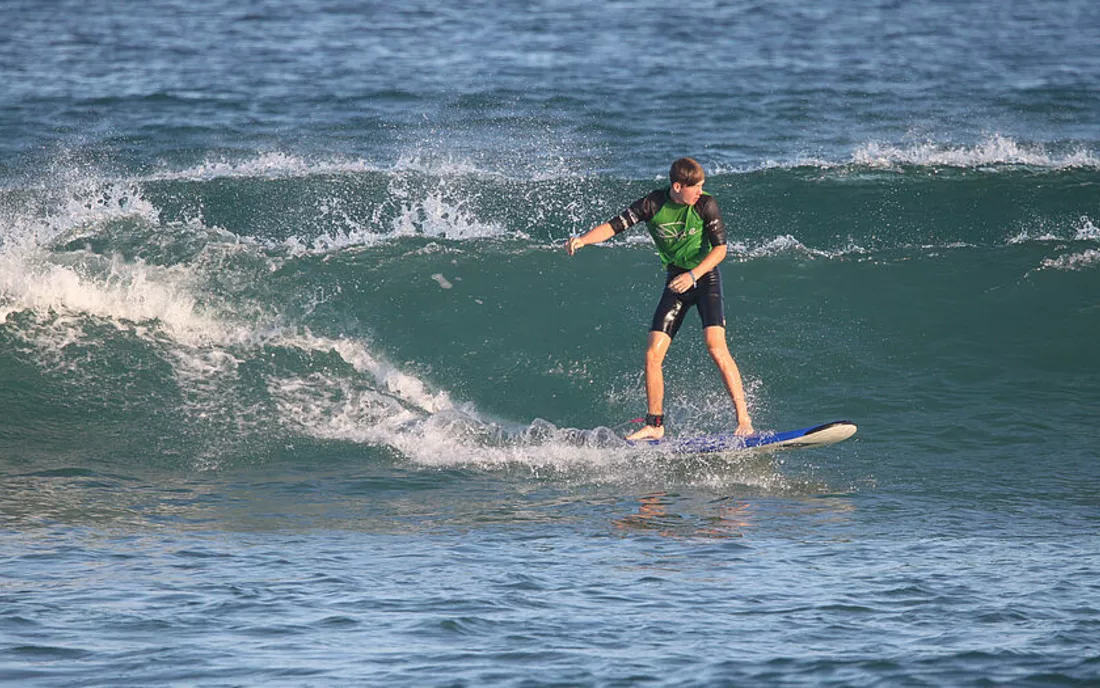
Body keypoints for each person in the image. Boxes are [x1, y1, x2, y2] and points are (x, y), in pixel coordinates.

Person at [565, 157, 754, 441]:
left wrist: (694, 275)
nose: (701, 191)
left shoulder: (706, 205)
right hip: (676, 280)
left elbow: (721, 250)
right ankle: (655, 424)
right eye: (696, 187)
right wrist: (583, 240)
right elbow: (614, 226)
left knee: (716, 347)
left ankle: (744, 419)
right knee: (653, 354)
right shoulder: (652, 204)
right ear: (678, 186)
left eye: (702, 186)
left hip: (705, 278)